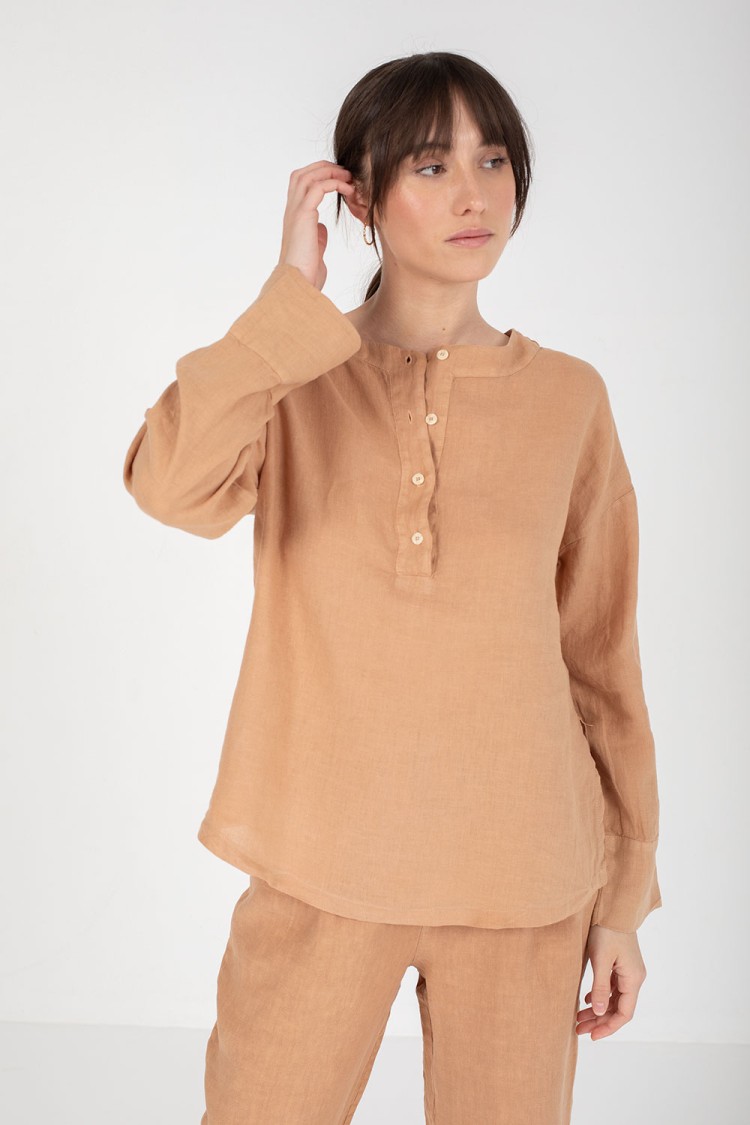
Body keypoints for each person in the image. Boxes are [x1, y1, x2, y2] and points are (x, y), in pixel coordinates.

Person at [123, 51, 663, 1125]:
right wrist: (288, 302)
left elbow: (601, 659)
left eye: (494, 161)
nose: (474, 194)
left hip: (525, 877)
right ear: (359, 198)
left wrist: (623, 899)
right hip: (318, 861)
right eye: (431, 165)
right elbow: (168, 486)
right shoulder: (290, 378)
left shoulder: (569, 399)